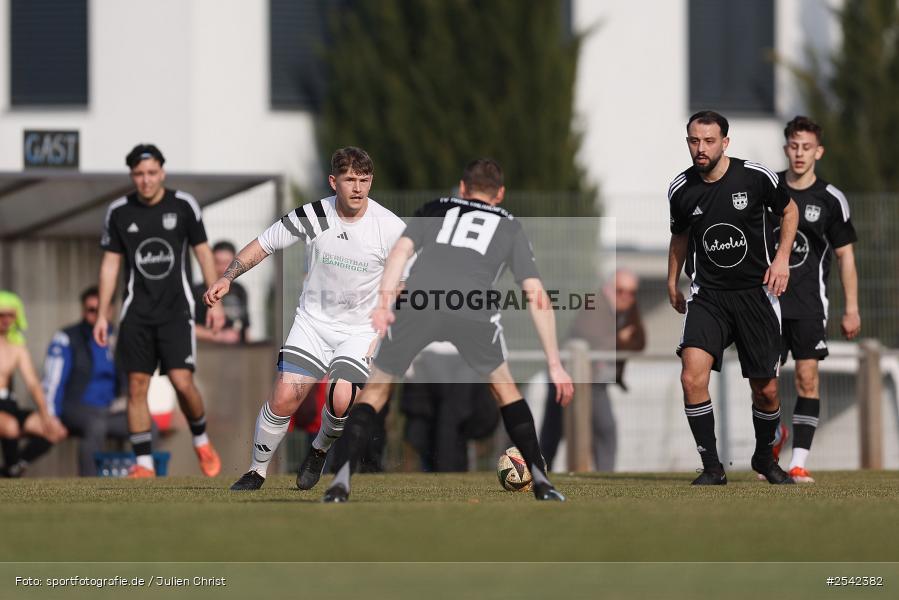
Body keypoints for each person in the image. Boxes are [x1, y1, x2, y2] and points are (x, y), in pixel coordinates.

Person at [321, 158, 575, 503]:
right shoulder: (510, 226)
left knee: (376, 393)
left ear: (462, 187)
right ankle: (542, 481)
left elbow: (400, 252)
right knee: (505, 390)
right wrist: (555, 363)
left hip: (420, 302)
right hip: (471, 306)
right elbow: (536, 294)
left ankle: (341, 481)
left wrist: (383, 304)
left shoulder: (436, 207)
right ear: (499, 193)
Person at [203, 147, 406, 491]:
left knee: (341, 399)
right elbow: (264, 244)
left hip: (360, 329)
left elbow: (405, 277)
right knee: (284, 397)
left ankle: (319, 450)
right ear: (333, 182)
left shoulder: (389, 227)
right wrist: (227, 277)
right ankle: (256, 471)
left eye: (365, 181)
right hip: (313, 323)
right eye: (350, 180)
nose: (358, 188)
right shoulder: (314, 215)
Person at [668, 111, 799, 485]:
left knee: (767, 389)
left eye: (709, 141)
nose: (700, 148)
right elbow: (679, 237)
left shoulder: (756, 177)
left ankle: (764, 458)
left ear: (725, 143)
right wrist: (670, 282)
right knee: (692, 377)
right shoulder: (681, 189)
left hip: (756, 295)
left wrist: (782, 260)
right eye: (694, 141)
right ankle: (712, 467)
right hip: (708, 297)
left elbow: (788, 211)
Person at [94, 144, 224, 478]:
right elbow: (110, 265)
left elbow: (203, 253)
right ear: (132, 176)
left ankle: (201, 439)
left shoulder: (183, 205)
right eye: (139, 174)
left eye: (152, 173)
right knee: (136, 386)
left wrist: (215, 300)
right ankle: (144, 464)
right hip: (135, 312)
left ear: (162, 172)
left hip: (176, 311)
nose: (146, 180)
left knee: (182, 382)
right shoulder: (119, 212)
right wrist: (101, 314)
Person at [768, 116, 860, 483]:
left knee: (807, 379)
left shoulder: (831, 199)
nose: (800, 153)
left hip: (808, 306)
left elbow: (845, 256)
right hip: (768, 305)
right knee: (765, 384)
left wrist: (851, 308)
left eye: (807, 147)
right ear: (786, 147)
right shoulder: (769, 188)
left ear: (818, 151)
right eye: (794, 146)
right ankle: (775, 436)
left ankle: (798, 462)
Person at [540, 269, 646, 472]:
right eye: (621, 290)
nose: (626, 296)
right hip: (574, 377)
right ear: (609, 288)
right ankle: (541, 470)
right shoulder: (595, 305)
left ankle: (599, 473)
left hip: (593, 379)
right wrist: (621, 339)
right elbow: (591, 342)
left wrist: (622, 340)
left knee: (592, 430)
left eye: (632, 292)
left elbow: (639, 341)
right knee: (561, 431)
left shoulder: (626, 311)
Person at [42, 286, 132, 476]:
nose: (96, 315)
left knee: (146, 425)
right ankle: (90, 484)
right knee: (95, 424)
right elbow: (53, 381)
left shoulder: (119, 337)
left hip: (111, 409)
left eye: (101, 309)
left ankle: (145, 481)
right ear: (83, 310)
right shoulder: (67, 337)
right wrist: (50, 416)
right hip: (76, 407)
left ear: (111, 310)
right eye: (92, 310)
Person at [0, 291, 66, 477]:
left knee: (55, 430)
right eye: (1, 315)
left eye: (10, 315)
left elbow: (33, 383)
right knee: (11, 426)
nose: (5, 320)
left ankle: (12, 468)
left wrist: (46, 415)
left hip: (9, 404)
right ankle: (12, 470)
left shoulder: (17, 347)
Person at [193, 241, 250, 344]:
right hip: (209, 352)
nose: (222, 268)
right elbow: (190, 328)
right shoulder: (197, 292)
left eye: (227, 263)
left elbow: (246, 329)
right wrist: (219, 337)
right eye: (218, 262)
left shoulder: (240, 290)